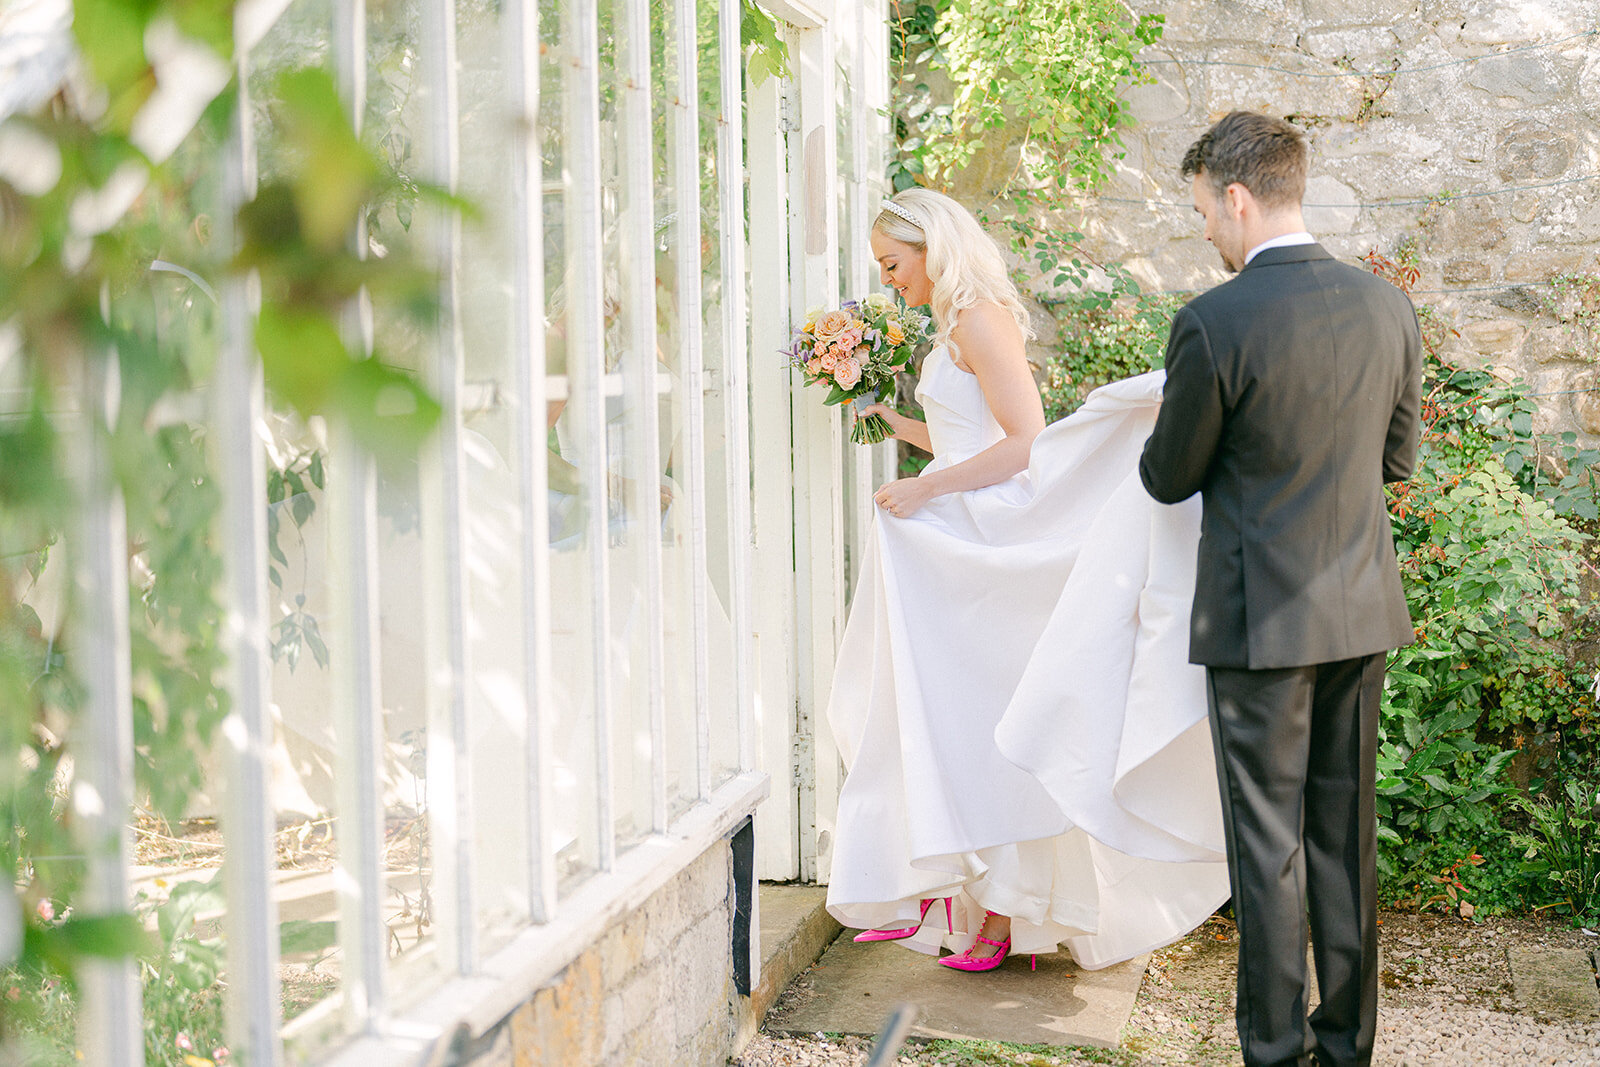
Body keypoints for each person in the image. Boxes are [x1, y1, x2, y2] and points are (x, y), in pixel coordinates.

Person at [824, 187, 1231, 974]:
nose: (888, 280)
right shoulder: (949, 327)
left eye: (893, 263)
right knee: (944, 709)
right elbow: (956, 434)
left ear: (932, 248)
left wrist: (925, 488)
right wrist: (884, 419)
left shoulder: (980, 319)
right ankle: (954, 891)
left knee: (987, 712)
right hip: (956, 524)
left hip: (989, 532)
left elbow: (1026, 442)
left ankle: (1008, 913)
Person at [1139, 111, 1422, 1067]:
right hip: (1360, 611)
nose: (1208, 236)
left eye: (1204, 215)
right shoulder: (1389, 307)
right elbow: (1397, 458)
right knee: (1345, 838)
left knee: (1268, 848)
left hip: (1260, 622)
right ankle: (1345, 1050)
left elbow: (1169, 475)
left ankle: (1273, 1053)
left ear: (1238, 196)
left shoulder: (1213, 323)